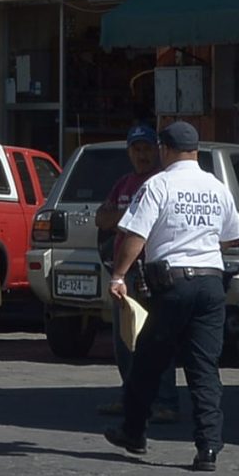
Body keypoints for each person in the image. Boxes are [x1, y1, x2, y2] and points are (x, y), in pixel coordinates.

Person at [105, 119, 239, 472]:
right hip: (212, 285)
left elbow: (135, 235)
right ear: (196, 150)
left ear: (165, 150)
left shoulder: (158, 185)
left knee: (147, 362)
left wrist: (119, 275)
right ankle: (208, 447)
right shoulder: (215, 187)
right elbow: (232, 237)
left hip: (172, 285)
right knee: (204, 369)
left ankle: (133, 432)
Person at [94, 126, 177, 424]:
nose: (141, 155)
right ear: (129, 152)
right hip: (124, 274)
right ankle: (130, 395)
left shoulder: (160, 183)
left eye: (146, 149)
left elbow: (154, 224)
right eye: (136, 149)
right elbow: (101, 218)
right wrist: (130, 215)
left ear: (157, 150)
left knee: (155, 338)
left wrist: (127, 219)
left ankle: (165, 401)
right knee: (125, 340)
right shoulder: (124, 183)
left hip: (152, 272)